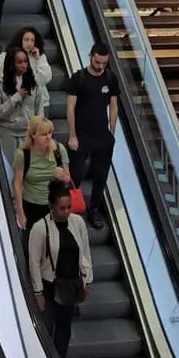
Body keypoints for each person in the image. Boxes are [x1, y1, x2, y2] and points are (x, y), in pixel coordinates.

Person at [28, 180, 92, 358]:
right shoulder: (40, 228)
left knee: (65, 327)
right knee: (47, 327)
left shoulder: (77, 222)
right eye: (61, 208)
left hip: (72, 283)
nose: (66, 212)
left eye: (68, 207)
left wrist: (87, 280)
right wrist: (38, 292)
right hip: (50, 285)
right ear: (51, 207)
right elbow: (34, 261)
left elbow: (85, 252)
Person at [66, 42, 119, 229]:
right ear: (90, 56)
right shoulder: (79, 78)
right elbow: (70, 107)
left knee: (101, 175)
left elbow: (113, 106)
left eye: (104, 63)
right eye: (97, 62)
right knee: (76, 173)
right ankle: (70, 209)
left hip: (102, 136)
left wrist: (112, 133)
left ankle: (94, 210)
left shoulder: (111, 78)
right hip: (81, 135)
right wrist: (72, 135)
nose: (100, 66)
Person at [13, 117, 70, 233]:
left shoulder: (59, 150)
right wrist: (20, 213)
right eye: (43, 134)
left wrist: (63, 176)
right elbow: (17, 185)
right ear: (33, 135)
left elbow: (68, 179)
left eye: (50, 133)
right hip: (31, 205)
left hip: (54, 206)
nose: (48, 137)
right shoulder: (23, 155)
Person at [0, 47, 44, 164]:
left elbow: (39, 105)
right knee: (16, 168)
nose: (24, 65)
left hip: (28, 131)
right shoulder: (0, 82)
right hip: (8, 132)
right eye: (20, 62)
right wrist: (15, 98)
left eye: (25, 62)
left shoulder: (33, 80)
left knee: (29, 169)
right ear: (11, 65)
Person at [0, 27, 52, 111]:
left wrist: (39, 59)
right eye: (26, 40)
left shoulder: (39, 57)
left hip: (40, 104)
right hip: (20, 105)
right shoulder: (9, 56)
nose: (29, 43)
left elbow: (45, 78)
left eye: (32, 40)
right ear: (20, 40)